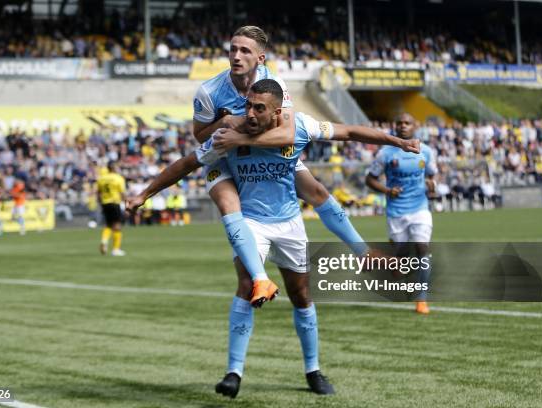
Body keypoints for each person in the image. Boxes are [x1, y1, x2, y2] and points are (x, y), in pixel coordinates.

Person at [128, 79, 419, 398]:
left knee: (302, 294)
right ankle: (233, 372)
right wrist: (145, 193)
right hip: (252, 221)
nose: (250, 113)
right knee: (247, 286)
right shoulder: (227, 138)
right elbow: (186, 164)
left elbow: (349, 132)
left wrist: (397, 142)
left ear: (278, 112)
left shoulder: (301, 127)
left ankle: (313, 369)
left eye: (259, 108)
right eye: (248, 105)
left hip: (290, 222)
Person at [191, 25, 387, 306]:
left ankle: (362, 252)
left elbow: (287, 133)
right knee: (228, 203)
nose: (236, 55)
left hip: (267, 153)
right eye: (232, 49)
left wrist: (242, 135)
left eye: (244, 50)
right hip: (224, 157)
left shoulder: (274, 83)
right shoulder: (210, 91)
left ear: (260, 58)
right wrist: (224, 125)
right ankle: (259, 279)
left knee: (317, 191)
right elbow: (199, 136)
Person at [366, 113, 436, 315]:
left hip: (420, 208)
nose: (403, 126)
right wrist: (387, 191)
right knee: (400, 265)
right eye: (400, 123)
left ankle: (421, 299)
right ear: (395, 126)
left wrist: (432, 186)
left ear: (415, 126)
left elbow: (432, 175)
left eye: (407, 123)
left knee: (423, 248)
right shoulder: (385, 153)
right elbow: (369, 179)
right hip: (396, 211)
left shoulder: (427, 152)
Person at [97, 161, 126, 256]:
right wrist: (126, 203)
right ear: (114, 168)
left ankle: (104, 240)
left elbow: (98, 193)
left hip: (105, 203)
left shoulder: (101, 179)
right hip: (114, 202)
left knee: (109, 224)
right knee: (117, 226)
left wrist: (100, 203)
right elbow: (122, 193)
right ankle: (116, 249)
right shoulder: (118, 178)